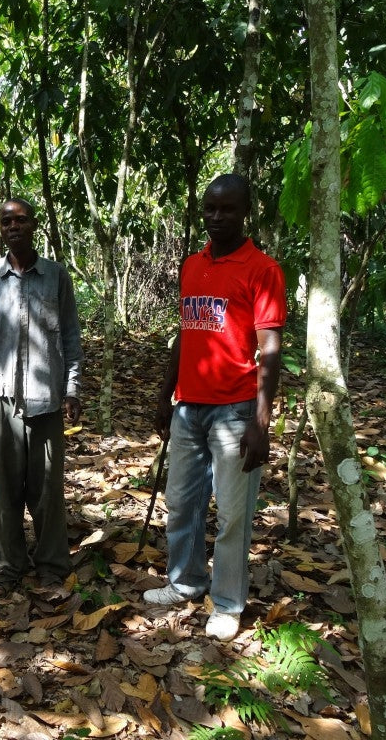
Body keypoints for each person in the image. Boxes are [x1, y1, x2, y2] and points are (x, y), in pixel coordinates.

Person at [145, 173, 286, 641]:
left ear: (246, 211)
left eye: (227, 209)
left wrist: (261, 422)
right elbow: (185, 335)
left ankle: (227, 604)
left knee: (232, 513)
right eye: (210, 208)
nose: (216, 217)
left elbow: (270, 348)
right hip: (190, 408)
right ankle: (184, 582)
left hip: (236, 409)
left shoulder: (262, 268)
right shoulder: (192, 265)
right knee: (181, 504)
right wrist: (167, 394)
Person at [0, 197, 84, 596]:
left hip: (46, 398)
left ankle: (51, 563)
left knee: (47, 488)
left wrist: (72, 388)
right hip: (0, 399)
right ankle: (8, 563)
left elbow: (70, 337)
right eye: (6, 221)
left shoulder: (56, 276)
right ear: (0, 229)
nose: (13, 226)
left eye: (21, 220)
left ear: (34, 225)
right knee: (4, 489)